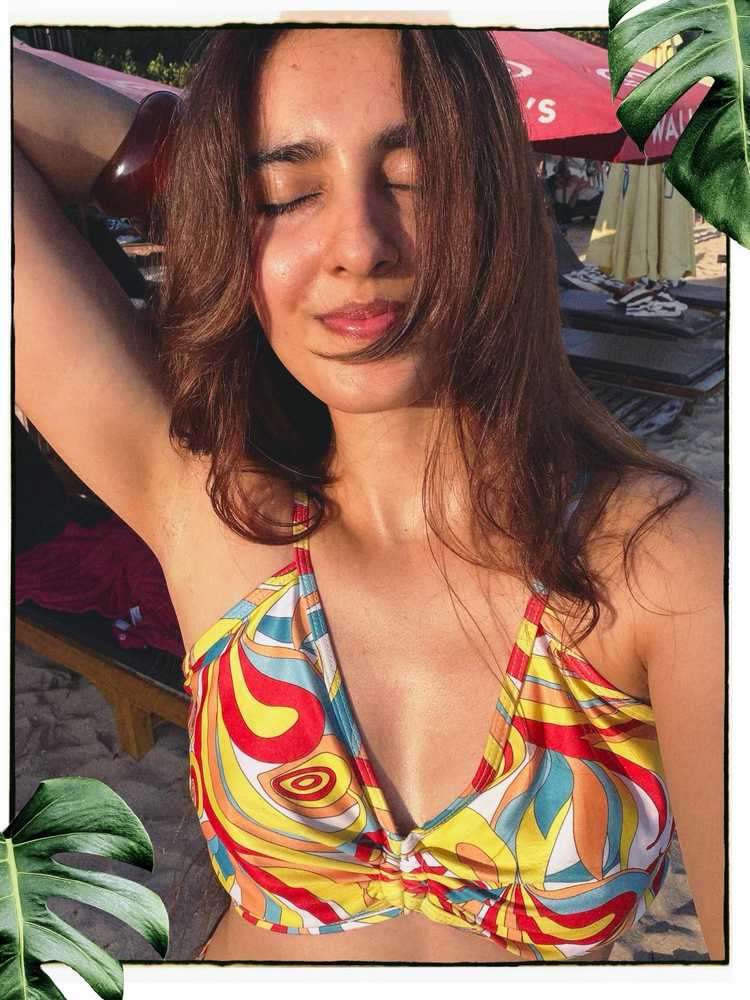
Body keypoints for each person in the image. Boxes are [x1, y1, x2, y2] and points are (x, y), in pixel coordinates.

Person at [12, 27, 724, 964]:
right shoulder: (208, 507)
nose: (357, 246)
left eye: (417, 179)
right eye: (284, 193)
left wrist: (275, 190)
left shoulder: (660, 557)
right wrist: (206, 176)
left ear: (499, 205)